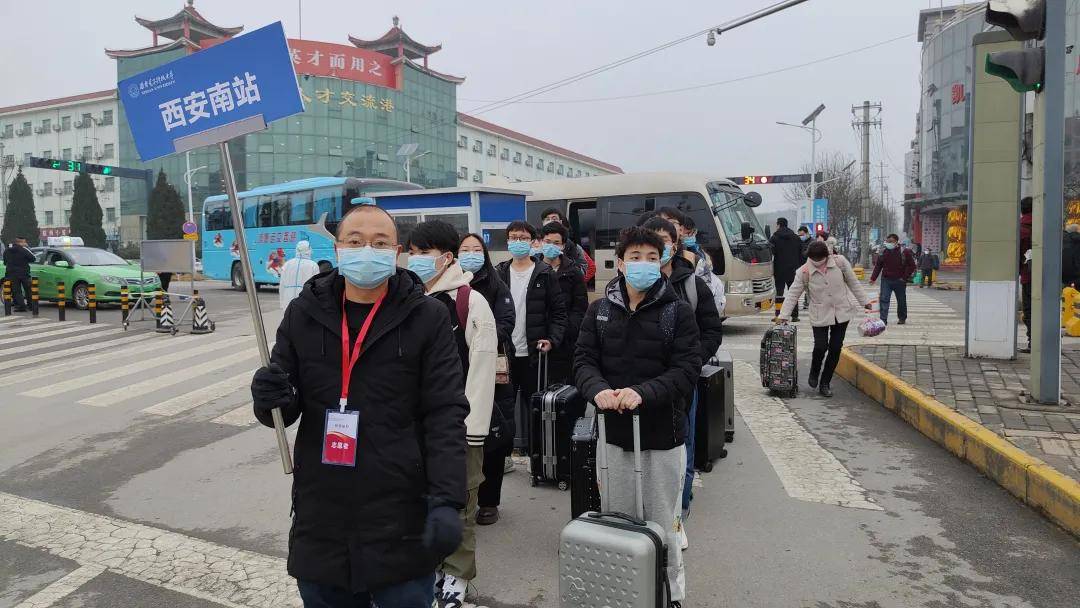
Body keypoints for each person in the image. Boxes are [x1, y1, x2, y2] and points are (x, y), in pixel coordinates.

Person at [249, 204, 468, 608]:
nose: (367, 249)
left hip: (399, 514)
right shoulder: (304, 312)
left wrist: (447, 500)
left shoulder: (427, 317)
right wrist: (269, 398)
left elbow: (445, 413)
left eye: (379, 242)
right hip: (321, 516)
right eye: (355, 241)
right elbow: (283, 408)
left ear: (396, 251)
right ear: (337, 248)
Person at [574, 226, 701, 607]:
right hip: (612, 436)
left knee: (663, 525)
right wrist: (597, 390)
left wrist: (642, 394)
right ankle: (624, 592)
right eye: (635, 257)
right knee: (617, 521)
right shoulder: (599, 310)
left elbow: (686, 369)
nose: (643, 264)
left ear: (662, 261)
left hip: (662, 438)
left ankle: (670, 595)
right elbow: (582, 361)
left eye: (651, 257)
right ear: (621, 261)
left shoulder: (677, 312)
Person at [405, 220, 498, 608]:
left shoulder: (469, 302)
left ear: (445, 258)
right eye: (411, 252)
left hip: (458, 428)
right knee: (420, 500)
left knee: (460, 503)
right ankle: (429, 567)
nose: (414, 259)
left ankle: (456, 578)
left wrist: (471, 430)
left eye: (422, 253)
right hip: (413, 426)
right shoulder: (408, 297)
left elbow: (481, 370)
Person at [644, 217, 722, 550]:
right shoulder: (629, 284)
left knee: (681, 449)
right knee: (644, 449)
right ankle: (646, 513)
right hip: (641, 384)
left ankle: (678, 513)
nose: (659, 246)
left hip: (680, 384)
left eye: (665, 240)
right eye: (652, 240)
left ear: (675, 245)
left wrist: (689, 366)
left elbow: (711, 332)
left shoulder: (691, 285)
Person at [484, 221, 567, 515]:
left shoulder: (544, 273)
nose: (517, 241)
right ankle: (502, 457)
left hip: (533, 354)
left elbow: (559, 313)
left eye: (523, 237)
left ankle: (538, 464)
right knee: (503, 410)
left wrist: (552, 339)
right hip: (505, 354)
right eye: (513, 237)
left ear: (533, 242)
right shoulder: (499, 272)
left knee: (534, 410)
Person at [457, 233, 517, 527]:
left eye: (476, 249)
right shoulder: (452, 287)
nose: (470, 254)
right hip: (457, 370)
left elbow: (506, 323)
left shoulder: (496, 284)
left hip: (493, 369)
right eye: (464, 249)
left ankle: (489, 501)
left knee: (491, 436)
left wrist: (481, 342)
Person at [777, 240, 873, 397]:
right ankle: (814, 372)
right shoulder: (804, 272)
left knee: (835, 348)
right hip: (819, 313)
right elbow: (793, 294)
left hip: (842, 312)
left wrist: (865, 302)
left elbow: (853, 283)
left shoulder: (840, 262)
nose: (817, 262)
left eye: (820, 259)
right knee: (821, 346)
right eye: (814, 259)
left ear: (827, 255)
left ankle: (825, 382)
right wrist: (783, 315)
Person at [540, 221, 589, 385]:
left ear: (562, 246)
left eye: (556, 243)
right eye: (547, 242)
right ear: (540, 242)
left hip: (565, 343)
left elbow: (580, 308)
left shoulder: (573, 273)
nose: (551, 246)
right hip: (537, 339)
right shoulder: (533, 269)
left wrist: (563, 332)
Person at [870, 233, 916, 325]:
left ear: (896, 242)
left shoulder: (904, 252)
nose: (888, 243)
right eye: (887, 241)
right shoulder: (883, 252)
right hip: (886, 280)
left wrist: (904, 277)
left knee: (901, 300)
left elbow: (912, 266)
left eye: (890, 241)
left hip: (899, 280)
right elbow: (878, 266)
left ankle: (902, 318)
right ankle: (883, 319)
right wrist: (873, 278)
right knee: (884, 299)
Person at [539, 207, 595, 282]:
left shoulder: (573, 245)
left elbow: (587, 266)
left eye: (554, 219)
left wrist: (574, 277)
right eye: (547, 219)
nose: (551, 221)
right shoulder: (536, 244)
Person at [769, 218, 803, 322]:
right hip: (793, 269)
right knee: (794, 292)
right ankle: (795, 315)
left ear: (778, 225)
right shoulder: (796, 238)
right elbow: (801, 254)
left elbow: (771, 253)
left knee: (779, 292)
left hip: (779, 269)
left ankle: (778, 315)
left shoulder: (774, 237)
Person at [278, 240, 321, 310]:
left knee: (289, 320)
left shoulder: (287, 264)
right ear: (308, 249)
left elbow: (282, 285)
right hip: (305, 300)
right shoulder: (313, 265)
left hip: (288, 300)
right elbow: (316, 286)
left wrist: (282, 302)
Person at [2, 236, 35, 312]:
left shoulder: (7, 251)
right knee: (28, 290)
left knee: (17, 291)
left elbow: (5, 262)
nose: (25, 243)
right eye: (24, 242)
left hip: (12, 273)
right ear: (20, 242)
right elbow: (33, 258)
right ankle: (31, 306)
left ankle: (21, 306)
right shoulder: (24, 250)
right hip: (24, 273)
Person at [1019, 197, 1033, 353]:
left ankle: (1033, 342)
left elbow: (1017, 253)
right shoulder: (1046, 224)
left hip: (1028, 276)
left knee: (1029, 309)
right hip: (1049, 275)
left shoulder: (1021, 227)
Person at [797, 226, 811, 310]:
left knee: (808, 285)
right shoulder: (798, 242)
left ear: (807, 233)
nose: (801, 237)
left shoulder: (812, 242)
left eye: (802, 235)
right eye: (799, 235)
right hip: (800, 266)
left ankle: (807, 301)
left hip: (809, 266)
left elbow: (806, 254)